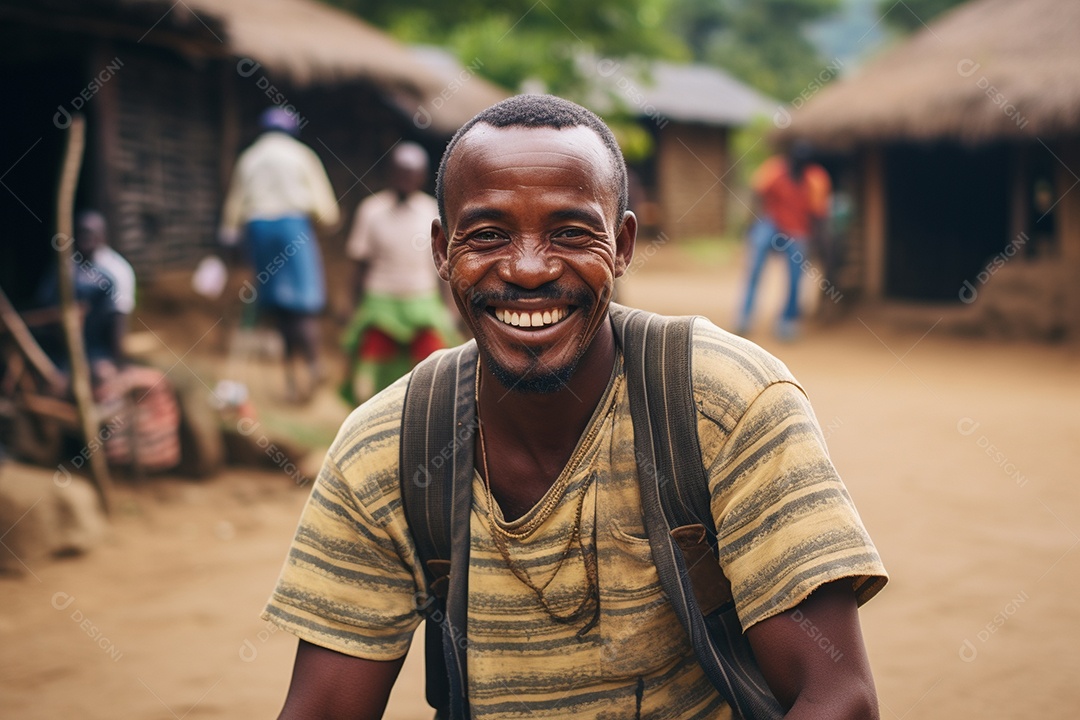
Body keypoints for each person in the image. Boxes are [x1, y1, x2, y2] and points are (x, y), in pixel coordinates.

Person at [262, 96, 887, 719]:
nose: (529, 268)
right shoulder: (386, 449)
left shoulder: (727, 403)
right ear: (442, 250)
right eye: (487, 235)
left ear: (622, 245)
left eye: (570, 232)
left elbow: (837, 697)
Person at [34, 210, 180, 471]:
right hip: (63, 353)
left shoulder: (113, 274)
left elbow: (117, 325)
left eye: (91, 234)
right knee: (49, 385)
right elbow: (44, 310)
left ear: (104, 237)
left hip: (96, 352)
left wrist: (116, 363)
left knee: (101, 381)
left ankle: (103, 459)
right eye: (80, 233)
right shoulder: (65, 270)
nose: (84, 239)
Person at [220, 107, 340, 403]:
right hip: (292, 227)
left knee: (277, 303)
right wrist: (326, 221)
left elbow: (235, 206)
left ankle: (290, 379)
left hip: (258, 230)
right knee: (302, 301)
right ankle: (313, 366)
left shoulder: (249, 158)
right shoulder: (300, 155)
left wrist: (230, 237)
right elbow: (325, 208)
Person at [339, 141, 458, 405]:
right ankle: (372, 415)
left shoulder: (433, 212)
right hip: (380, 299)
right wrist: (350, 303)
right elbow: (359, 262)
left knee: (436, 362)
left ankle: (429, 412)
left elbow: (444, 264)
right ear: (390, 174)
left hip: (422, 299)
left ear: (422, 177)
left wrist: (449, 307)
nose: (405, 180)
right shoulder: (371, 211)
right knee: (371, 365)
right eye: (400, 172)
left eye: (412, 174)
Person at [737, 141, 832, 340]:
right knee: (755, 265)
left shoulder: (816, 179)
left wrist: (820, 243)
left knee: (796, 277)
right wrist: (751, 224)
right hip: (772, 223)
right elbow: (757, 194)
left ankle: (787, 321)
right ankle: (744, 317)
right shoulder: (774, 169)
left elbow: (819, 215)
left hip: (797, 230)